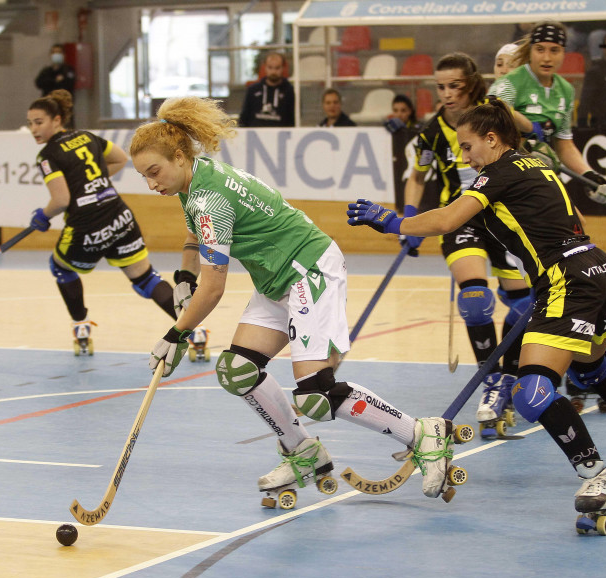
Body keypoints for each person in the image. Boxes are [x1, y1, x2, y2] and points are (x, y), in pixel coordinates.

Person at [347, 98, 606, 523]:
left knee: (533, 393)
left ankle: (597, 474)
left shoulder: (498, 173)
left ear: (492, 140)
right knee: (590, 367)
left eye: (469, 146)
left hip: (569, 279)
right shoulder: (536, 163)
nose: (463, 157)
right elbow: (574, 218)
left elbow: (448, 220)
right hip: (597, 266)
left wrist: (392, 221)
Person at [128, 96, 467, 503]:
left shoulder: (207, 197)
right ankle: (302, 451)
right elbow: (193, 233)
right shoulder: (195, 180)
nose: (151, 184)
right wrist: (185, 274)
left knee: (316, 393)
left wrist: (176, 333)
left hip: (308, 270)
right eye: (143, 177)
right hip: (276, 278)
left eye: (154, 172)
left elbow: (214, 288)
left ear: (179, 157)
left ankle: (423, 433)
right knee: (238, 369)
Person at [488, 21, 606, 400]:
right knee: (553, 272)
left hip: (546, 187)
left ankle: (589, 357)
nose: (547, 57)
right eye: (541, 49)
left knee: (578, 253)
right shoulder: (515, 80)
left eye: (555, 51)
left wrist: (594, 177)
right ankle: (581, 358)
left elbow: (566, 145)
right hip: (514, 191)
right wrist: (529, 126)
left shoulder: (565, 90)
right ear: (532, 51)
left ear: (563, 54)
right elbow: (495, 104)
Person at [402, 52, 533, 435]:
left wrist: (504, 105)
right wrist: (409, 216)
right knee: (475, 302)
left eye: (455, 85)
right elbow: (418, 175)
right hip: (460, 220)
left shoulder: (492, 116)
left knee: (524, 306)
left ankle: (509, 376)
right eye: (440, 86)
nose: (446, 93)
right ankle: (490, 381)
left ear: (471, 82)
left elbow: (532, 132)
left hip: (503, 219)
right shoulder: (430, 132)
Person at [26, 90, 178, 353]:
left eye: (39, 122)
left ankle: (81, 325)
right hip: (119, 216)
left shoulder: (48, 156)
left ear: (57, 120)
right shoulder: (86, 137)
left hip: (87, 226)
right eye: (30, 123)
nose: (33, 129)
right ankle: (193, 328)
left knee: (61, 267)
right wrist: (90, 185)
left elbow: (61, 200)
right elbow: (120, 158)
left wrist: (42, 215)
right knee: (146, 278)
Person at [238, 52, 295, 127]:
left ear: (283, 68)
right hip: (254, 135)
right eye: (270, 67)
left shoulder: (289, 91)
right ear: (264, 67)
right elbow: (244, 117)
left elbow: (292, 119)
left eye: (277, 68)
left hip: (281, 136)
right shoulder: (253, 90)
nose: (273, 72)